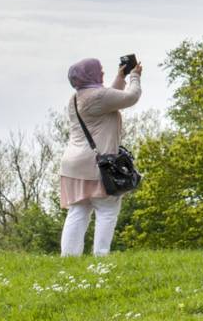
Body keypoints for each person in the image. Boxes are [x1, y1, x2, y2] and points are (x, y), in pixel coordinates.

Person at [58, 56, 141, 256]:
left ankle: (68, 258)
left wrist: (120, 78)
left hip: (72, 166)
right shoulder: (97, 97)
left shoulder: (76, 98)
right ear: (90, 74)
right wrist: (135, 77)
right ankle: (101, 257)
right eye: (100, 70)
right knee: (107, 210)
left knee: (78, 211)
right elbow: (130, 97)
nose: (102, 73)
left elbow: (109, 97)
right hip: (97, 165)